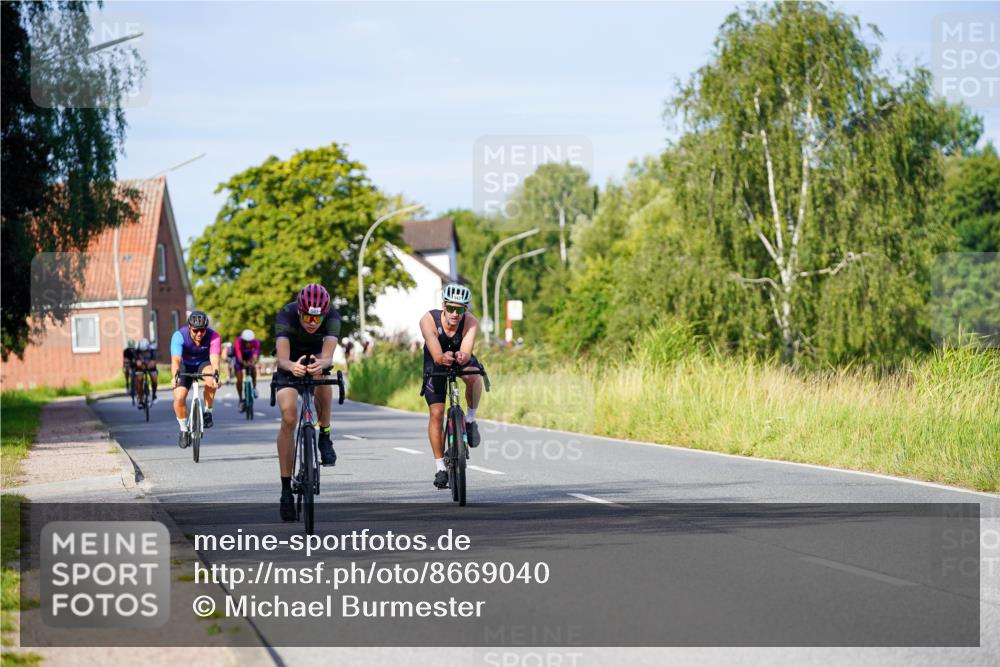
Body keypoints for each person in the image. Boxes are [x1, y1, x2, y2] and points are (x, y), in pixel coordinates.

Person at [273, 283, 341, 521]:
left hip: (316, 362)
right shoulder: (286, 314)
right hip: (290, 366)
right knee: (289, 416)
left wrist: (320, 364)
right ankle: (285, 491)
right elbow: (282, 358)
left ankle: (324, 435)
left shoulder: (332, 316)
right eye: (307, 317)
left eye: (317, 318)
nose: (313, 323)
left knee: (323, 378)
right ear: (299, 311)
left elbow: (328, 354)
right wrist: (293, 366)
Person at [419, 283, 482, 490]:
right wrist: (440, 357)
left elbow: (466, 350)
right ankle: (440, 467)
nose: (456, 314)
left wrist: (462, 357)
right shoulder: (428, 319)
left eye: (461, 309)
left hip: (457, 356)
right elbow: (434, 348)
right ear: (444, 305)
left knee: (474, 377)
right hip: (435, 358)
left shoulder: (470, 322)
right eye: (452, 308)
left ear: (466, 309)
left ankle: (470, 420)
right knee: (436, 413)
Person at [170, 311, 221, 449]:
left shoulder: (213, 336)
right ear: (189, 327)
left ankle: (208, 412)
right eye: (196, 330)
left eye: (202, 330)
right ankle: (183, 429)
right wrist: (174, 377)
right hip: (185, 365)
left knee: (211, 379)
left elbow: (215, 359)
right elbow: (175, 360)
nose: (199, 333)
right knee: (179, 398)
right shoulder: (179, 336)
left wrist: (216, 375)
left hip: (203, 364)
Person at [234, 328, 261, 410]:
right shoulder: (238, 342)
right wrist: (243, 363)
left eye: (250, 342)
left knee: (253, 368)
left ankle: (254, 387)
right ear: (242, 340)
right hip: (240, 359)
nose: (248, 343)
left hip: (249, 357)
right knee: (239, 379)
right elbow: (239, 357)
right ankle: (240, 399)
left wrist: (252, 362)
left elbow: (255, 356)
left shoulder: (256, 342)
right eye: (246, 342)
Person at [132, 338, 158, 406]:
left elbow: (154, 362)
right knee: (139, 379)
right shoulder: (136, 351)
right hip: (140, 367)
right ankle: (140, 399)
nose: (143, 353)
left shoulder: (152, 350)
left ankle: (154, 395)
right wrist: (137, 362)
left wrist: (150, 364)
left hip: (150, 366)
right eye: (142, 351)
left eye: (145, 351)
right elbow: (135, 361)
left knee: (154, 379)